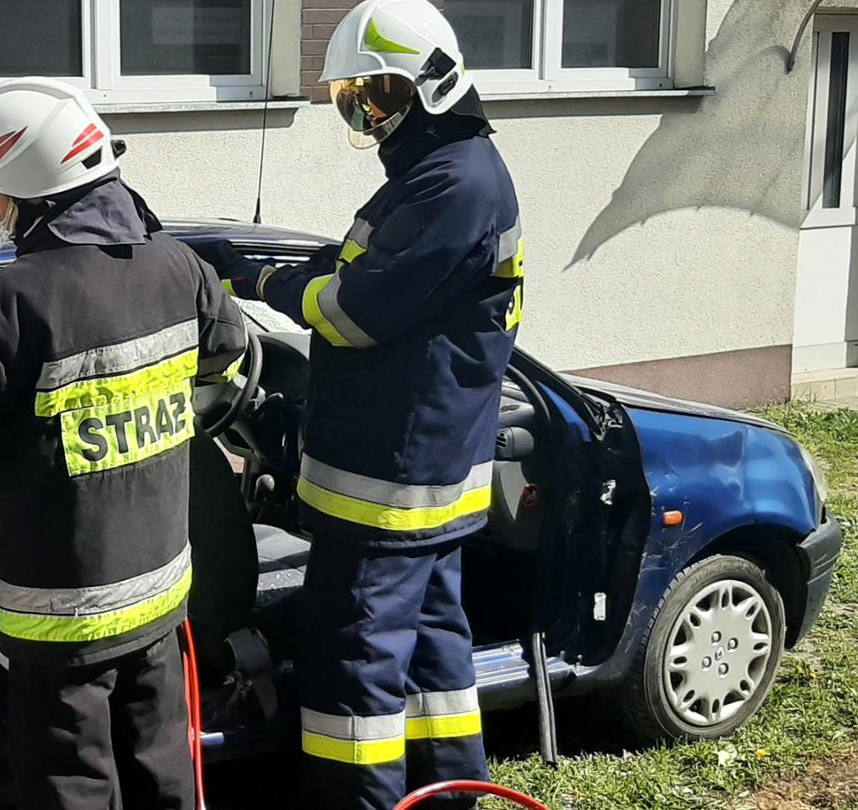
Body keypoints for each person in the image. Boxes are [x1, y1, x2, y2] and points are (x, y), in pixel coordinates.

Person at [192, 1, 524, 806]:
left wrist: (253, 281)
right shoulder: (445, 174)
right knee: (434, 657)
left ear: (432, 86)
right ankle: (450, 795)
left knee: (356, 669)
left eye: (375, 95)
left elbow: (353, 310)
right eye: (353, 99)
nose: (366, 115)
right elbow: (372, 271)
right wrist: (276, 262)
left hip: (389, 485)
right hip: (429, 478)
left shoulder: (452, 186)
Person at [0, 77, 249, 810]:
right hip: (159, 595)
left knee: (73, 784)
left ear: (29, 187)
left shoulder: (11, 302)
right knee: (163, 771)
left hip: (62, 615)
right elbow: (227, 352)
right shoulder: (179, 267)